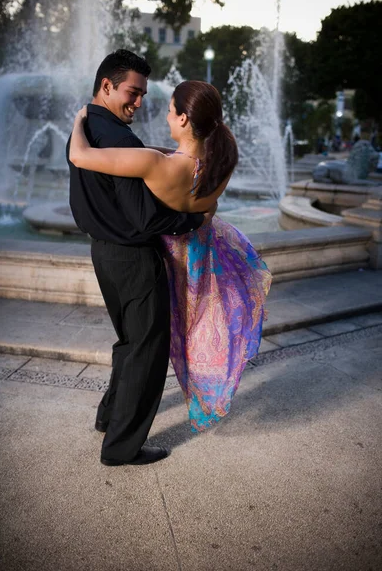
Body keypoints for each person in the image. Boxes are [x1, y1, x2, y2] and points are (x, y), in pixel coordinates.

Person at [70, 79, 272, 433]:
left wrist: (78, 121)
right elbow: (189, 171)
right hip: (205, 261)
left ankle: (121, 425)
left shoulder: (155, 165)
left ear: (182, 119)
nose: (165, 115)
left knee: (140, 345)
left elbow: (80, 156)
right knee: (186, 338)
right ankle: (118, 413)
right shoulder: (221, 160)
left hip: (165, 263)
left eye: (168, 110)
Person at [66, 50, 213, 467]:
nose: (139, 102)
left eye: (144, 94)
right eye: (133, 92)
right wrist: (193, 218)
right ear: (107, 86)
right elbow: (146, 217)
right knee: (147, 350)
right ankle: (121, 447)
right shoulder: (119, 138)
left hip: (103, 253)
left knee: (129, 343)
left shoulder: (87, 126)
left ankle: (110, 417)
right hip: (132, 257)